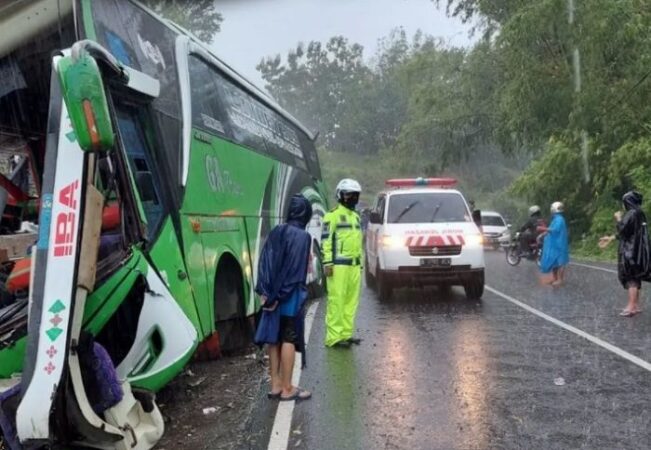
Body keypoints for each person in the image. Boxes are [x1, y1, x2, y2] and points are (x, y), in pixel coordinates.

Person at [254, 194, 313, 401]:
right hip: (289, 296)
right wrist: (279, 296)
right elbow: (295, 272)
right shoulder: (302, 237)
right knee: (288, 337)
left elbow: (264, 262)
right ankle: (288, 388)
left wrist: (266, 293)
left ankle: (276, 385)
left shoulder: (276, 231)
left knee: (274, 338)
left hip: (271, 295)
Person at [323, 178, 363, 348]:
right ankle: (334, 337)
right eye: (348, 195)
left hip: (354, 266)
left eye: (355, 195)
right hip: (338, 266)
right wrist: (327, 263)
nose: (352, 198)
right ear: (340, 195)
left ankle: (346, 334)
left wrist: (360, 264)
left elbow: (358, 241)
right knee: (336, 301)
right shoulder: (331, 215)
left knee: (350, 301)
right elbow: (325, 240)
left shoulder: (356, 217)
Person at [599, 191, 650, 317]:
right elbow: (629, 232)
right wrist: (611, 238)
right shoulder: (639, 213)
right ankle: (635, 305)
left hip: (630, 251)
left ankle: (631, 306)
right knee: (635, 276)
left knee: (630, 277)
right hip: (638, 250)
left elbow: (623, 229)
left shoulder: (631, 214)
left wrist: (619, 218)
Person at [538, 201, 569, 286]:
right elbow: (550, 229)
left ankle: (560, 280)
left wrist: (543, 229)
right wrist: (542, 234)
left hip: (559, 244)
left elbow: (554, 230)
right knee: (554, 262)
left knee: (560, 263)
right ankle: (555, 278)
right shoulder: (556, 219)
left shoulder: (559, 219)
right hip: (554, 244)